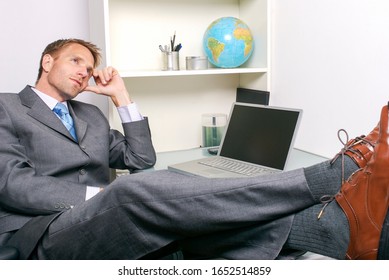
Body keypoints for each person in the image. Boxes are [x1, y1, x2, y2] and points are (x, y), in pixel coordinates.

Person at [0, 38, 387, 260]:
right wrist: (102, 196)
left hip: (107, 222)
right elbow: (13, 185)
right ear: (47, 61)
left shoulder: (90, 115)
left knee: (203, 217)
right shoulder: (7, 106)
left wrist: (121, 97)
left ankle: (338, 230)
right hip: (40, 233)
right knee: (138, 190)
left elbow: (140, 159)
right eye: (75, 60)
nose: (85, 70)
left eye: (90, 65)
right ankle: (325, 177)